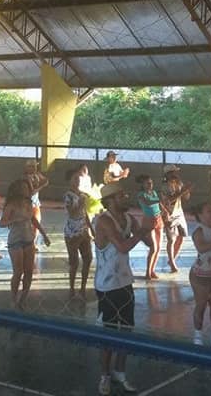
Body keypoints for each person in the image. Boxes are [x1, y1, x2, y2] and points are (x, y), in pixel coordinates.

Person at [93, 181, 154, 395]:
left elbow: (150, 243)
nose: (125, 197)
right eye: (121, 196)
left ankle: (120, 372)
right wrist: (141, 231)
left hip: (125, 283)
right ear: (110, 200)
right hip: (107, 286)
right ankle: (105, 375)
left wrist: (149, 221)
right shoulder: (104, 221)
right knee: (109, 333)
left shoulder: (129, 219)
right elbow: (122, 246)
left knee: (127, 330)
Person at [1, 179, 51, 310]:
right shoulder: (11, 205)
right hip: (15, 241)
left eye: (27, 188)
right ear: (17, 190)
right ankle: (13, 298)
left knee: (29, 272)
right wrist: (15, 219)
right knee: (18, 272)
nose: (26, 190)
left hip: (29, 239)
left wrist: (44, 234)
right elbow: (2, 223)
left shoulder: (29, 203)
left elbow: (33, 219)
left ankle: (23, 299)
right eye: (23, 188)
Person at [188, 197, 211, 348]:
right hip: (200, 275)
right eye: (208, 211)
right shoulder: (199, 231)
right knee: (201, 305)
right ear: (200, 215)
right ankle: (197, 336)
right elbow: (201, 248)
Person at [64, 168, 94, 299]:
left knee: (88, 258)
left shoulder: (82, 194)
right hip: (72, 232)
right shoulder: (68, 196)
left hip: (83, 230)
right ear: (69, 181)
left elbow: (84, 213)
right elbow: (71, 213)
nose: (78, 181)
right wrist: (80, 204)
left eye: (78, 178)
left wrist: (91, 229)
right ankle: (71, 288)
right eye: (75, 178)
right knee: (74, 262)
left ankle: (83, 288)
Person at [134, 174, 166, 280]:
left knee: (159, 248)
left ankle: (152, 270)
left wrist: (165, 211)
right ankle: (148, 271)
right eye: (148, 183)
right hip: (149, 221)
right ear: (142, 184)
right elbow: (148, 203)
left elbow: (159, 205)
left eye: (151, 182)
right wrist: (160, 200)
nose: (150, 184)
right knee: (153, 247)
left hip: (158, 219)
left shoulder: (154, 192)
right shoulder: (141, 195)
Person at [160, 165, 192, 273]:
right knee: (171, 239)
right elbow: (169, 200)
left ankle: (172, 258)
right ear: (168, 174)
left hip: (179, 212)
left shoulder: (178, 183)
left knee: (181, 237)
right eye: (174, 172)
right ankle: (172, 262)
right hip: (169, 213)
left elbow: (186, 198)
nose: (176, 174)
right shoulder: (165, 186)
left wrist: (187, 190)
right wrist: (183, 191)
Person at [23, 160, 49, 240]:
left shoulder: (36, 175)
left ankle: (33, 242)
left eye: (35, 166)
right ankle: (29, 241)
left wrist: (41, 180)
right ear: (27, 167)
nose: (35, 168)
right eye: (33, 166)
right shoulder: (26, 177)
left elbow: (46, 181)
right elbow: (32, 192)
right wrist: (41, 186)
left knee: (36, 225)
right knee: (28, 225)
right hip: (28, 205)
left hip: (35, 204)